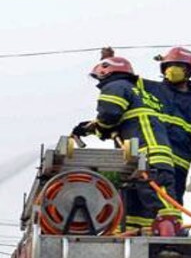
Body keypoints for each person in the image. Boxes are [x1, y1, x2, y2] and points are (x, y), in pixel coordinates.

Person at [72, 55, 179, 231]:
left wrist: (101, 127)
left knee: (163, 206)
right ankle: (149, 235)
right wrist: (90, 128)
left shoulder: (115, 86)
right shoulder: (141, 94)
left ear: (106, 73)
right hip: (152, 155)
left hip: (147, 155)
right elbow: (127, 120)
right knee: (143, 208)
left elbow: (110, 114)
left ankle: (170, 235)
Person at [149, 47, 191, 201]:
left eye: (179, 66)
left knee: (172, 207)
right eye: (169, 65)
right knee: (141, 209)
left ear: (190, 71)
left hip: (178, 170)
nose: (173, 70)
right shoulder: (150, 91)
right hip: (148, 163)